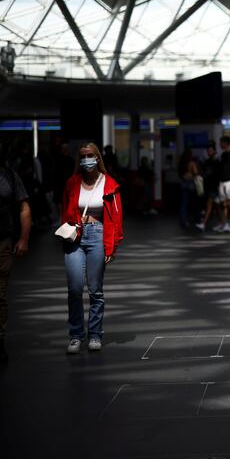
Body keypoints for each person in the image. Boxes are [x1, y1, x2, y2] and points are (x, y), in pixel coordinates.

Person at [60, 143, 123, 354]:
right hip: (76, 236)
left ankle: (95, 334)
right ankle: (76, 335)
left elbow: (116, 217)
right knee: (75, 288)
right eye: (83, 156)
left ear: (98, 158)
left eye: (90, 155)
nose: (87, 159)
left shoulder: (109, 183)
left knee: (95, 290)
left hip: (97, 235)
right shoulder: (72, 182)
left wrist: (111, 247)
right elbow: (65, 210)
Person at [0, 146, 31, 362]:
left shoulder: (10, 177)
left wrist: (24, 238)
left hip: (2, 242)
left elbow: (24, 208)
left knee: (0, 294)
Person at [196, 141, 222, 232]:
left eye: (211, 150)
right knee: (217, 206)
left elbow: (218, 175)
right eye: (208, 150)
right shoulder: (206, 162)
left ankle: (203, 223)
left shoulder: (217, 162)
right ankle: (223, 223)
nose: (209, 152)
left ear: (214, 151)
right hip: (208, 187)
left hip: (214, 187)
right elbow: (203, 173)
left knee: (209, 205)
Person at [177, 149, 200, 229]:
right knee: (195, 203)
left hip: (183, 183)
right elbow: (196, 173)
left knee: (184, 203)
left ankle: (184, 221)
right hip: (191, 184)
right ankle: (197, 219)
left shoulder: (181, 163)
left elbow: (180, 174)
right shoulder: (191, 163)